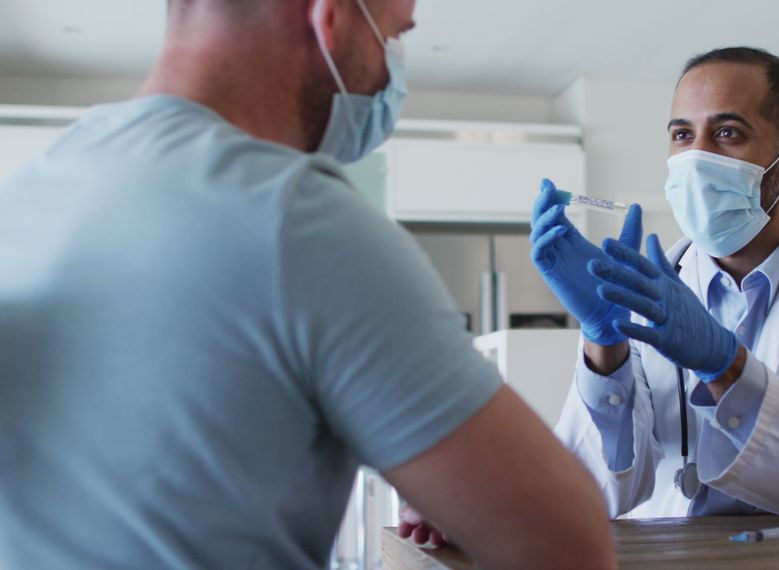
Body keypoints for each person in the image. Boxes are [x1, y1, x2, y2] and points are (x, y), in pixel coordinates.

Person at [0, 1, 616, 568]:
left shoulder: (31, 190)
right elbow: (567, 546)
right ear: (331, 18)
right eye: (394, 36)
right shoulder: (295, 219)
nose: (390, 74)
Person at [530, 47, 779, 523]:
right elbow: (591, 495)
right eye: (682, 135)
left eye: (726, 133)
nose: (697, 157)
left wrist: (729, 368)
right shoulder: (638, 288)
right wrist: (604, 347)